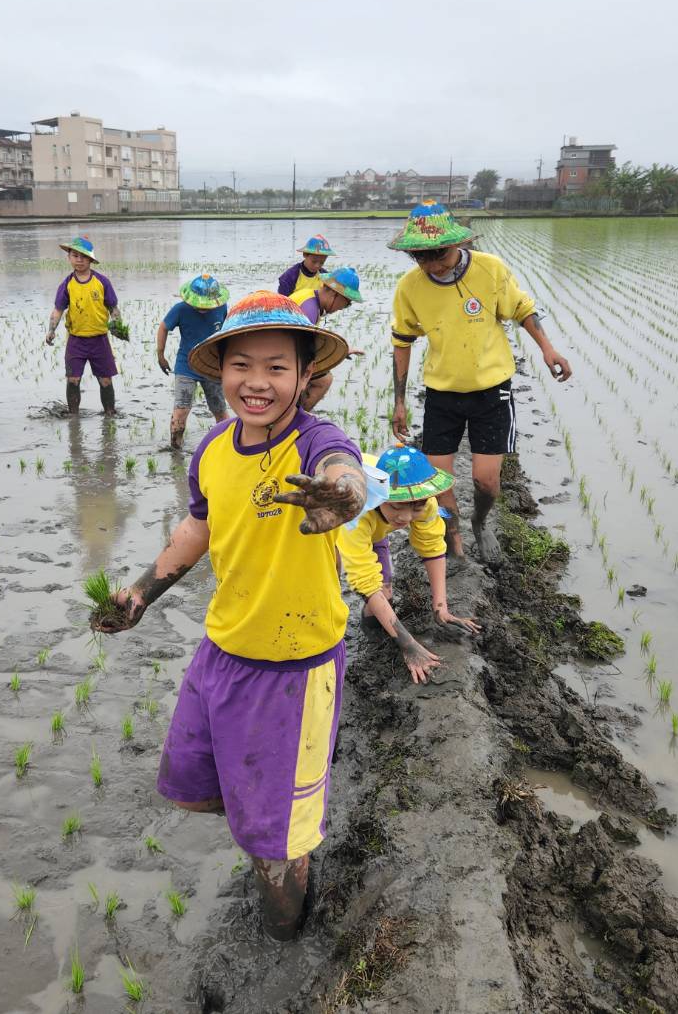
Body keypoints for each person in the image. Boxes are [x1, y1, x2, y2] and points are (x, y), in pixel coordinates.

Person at [95, 290, 366, 942]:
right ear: (220, 371)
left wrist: (339, 498)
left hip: (294, 670)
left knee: (276, 839)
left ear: (307, 378)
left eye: (277, 367)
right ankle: (275, 837)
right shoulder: (214, 448)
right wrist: (139, 593)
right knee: (200, 787)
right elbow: (199, 527)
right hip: (224, 650)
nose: (257, 381)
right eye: (242, 365)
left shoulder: (316, 442)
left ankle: (285, 940)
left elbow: (346, 474)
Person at [388, 202, 573, 560]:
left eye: (437, 254)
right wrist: (399, 402)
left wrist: (548, 349)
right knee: (437, 481)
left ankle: (481, 521)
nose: (430, 264)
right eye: (419, 257)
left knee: (486, 481)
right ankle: (455, 539)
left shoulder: (490, 270)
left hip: (492, 392)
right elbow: (402, 341)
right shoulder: (409, 287)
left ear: (457, 244)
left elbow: (521, 309)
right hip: (442, 394)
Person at [337, 445, 481, 683]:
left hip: (375, 527)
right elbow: (364, 580)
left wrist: (441, 608)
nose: (405, 517)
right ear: (379, 494)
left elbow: (432, 547)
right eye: (396, 506)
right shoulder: (356, 509)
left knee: (385, 593)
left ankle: (375, 640)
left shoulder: (423, 501)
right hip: (328, 526)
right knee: (334, 587)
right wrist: (409, 645)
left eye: (416, 508)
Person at [45, 236, 123, 415]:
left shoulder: (102, 282)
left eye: (83, 256)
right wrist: (51, 330)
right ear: (69, 258)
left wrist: (118, 325)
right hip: (76, 341)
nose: (79, 260)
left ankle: (110, 416)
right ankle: (74, 417)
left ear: (90, 259)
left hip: (99, 340)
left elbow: (113, 308)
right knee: (73, 380)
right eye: (75, 256)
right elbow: (58, 310)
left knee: (105, 380)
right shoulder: (67, 284)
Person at [156, 274, 230, 450]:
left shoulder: (221, 308)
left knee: (219, 409)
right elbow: (164, 327)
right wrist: (160, 355)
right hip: (186, 365)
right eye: (198, 304)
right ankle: (175, 448)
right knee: (181, 409)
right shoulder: (181, 309)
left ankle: (227, 446)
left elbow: (227, 333)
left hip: (212, 366)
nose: (202, 308)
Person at [289, 266, 363, 412]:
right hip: (284, 359)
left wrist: (341, 351)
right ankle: (294, 417)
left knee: (319, 375)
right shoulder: (309, 310)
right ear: (336, 294)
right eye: (347, 303)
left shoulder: (309, 296)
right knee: (324, 380)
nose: (344, 307)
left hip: (284, 354)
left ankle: (295, 413)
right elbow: (300, 352)